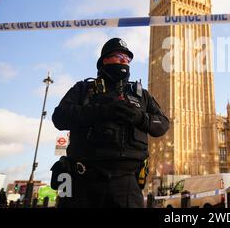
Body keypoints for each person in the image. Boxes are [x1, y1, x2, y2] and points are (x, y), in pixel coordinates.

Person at [51, 37, 169, 208]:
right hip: (84, 180)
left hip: (127, 183)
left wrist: (139, 117)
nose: (124, 61)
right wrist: (101, 111)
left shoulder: (140, 95)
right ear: (104, 60)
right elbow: (59, 117)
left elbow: (163, 124)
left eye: (127, 58)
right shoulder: (83, 89)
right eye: (118, 56)